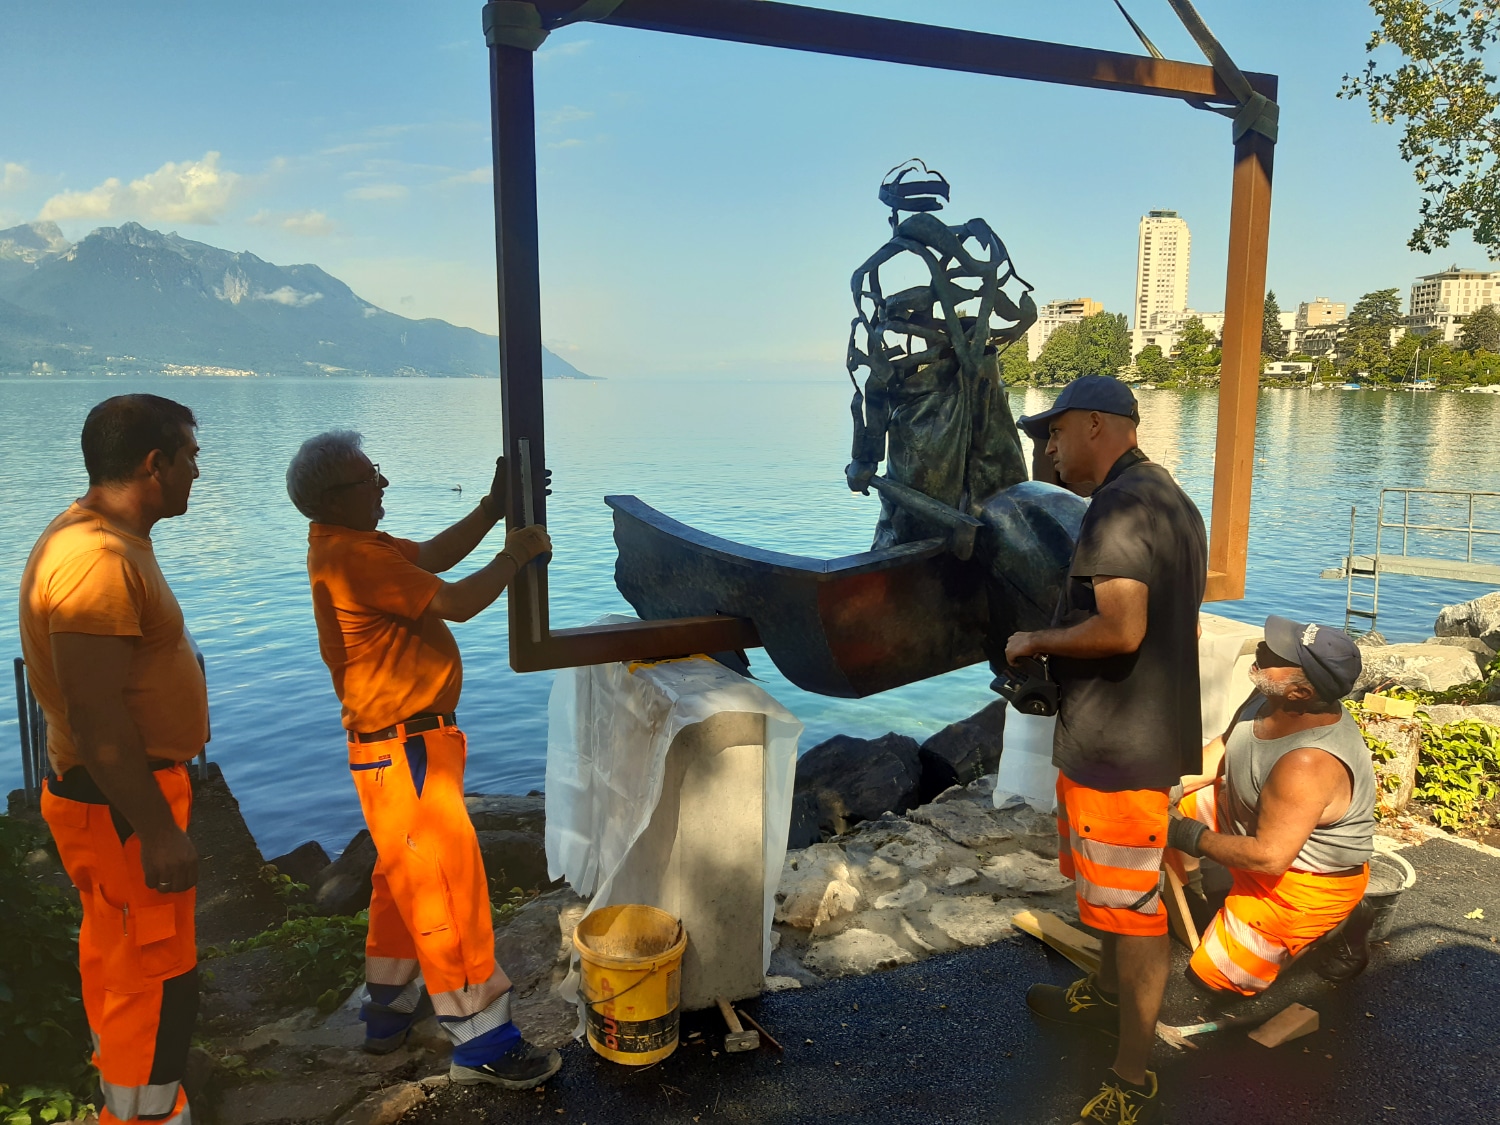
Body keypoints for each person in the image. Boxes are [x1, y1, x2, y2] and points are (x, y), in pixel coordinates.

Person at [285, 431, 557, 1089]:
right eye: (369, 477)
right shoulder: (355, 557)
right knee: (445, 890)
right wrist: (516, 553)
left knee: (400, 881)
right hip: (404, 748)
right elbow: (456, 602)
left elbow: (433, 556)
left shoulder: (353, 545)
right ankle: (484, 1041)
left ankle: (388, 1012)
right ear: (333, 498)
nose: (383, 483)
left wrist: (491, 508)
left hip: (398, 748)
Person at [1005, 375, 1207, 1125]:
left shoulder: (1117, 508)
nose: (1048, 450)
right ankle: (1106, 995)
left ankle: (1131, 1075)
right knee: (1114, 898)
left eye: (1055, 432)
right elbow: (1178, 623)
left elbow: (1122, 627)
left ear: (1096, 424)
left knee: (1134, 912)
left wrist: (1035, 639)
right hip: (1140, 733)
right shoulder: (1170, 499)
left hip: (1118, 749)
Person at [20, 394, 206, 1125]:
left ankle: (130, 1107)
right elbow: (96, 715)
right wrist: (156, 828)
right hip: (123, 805)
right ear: (154, 464)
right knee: (155, 980)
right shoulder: (96, 559)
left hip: (114, 800)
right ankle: (145, 1116)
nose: (197, 472)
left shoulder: (99, 540)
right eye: (190, 456)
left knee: (121, 967)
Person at [1169, 617, 1376, 995]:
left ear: (1300, 692)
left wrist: (1185, 834)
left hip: (1301, 880)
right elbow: (1227, 746)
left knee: (1214, 978)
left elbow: (1269, 858)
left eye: (1277, 655)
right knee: (1163, 805)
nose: (1263, 649)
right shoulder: (1269, 694)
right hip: (1255, 824)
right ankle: (1214, 897)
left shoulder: (1308, 763)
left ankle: (1339, 924)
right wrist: (1171, 787)